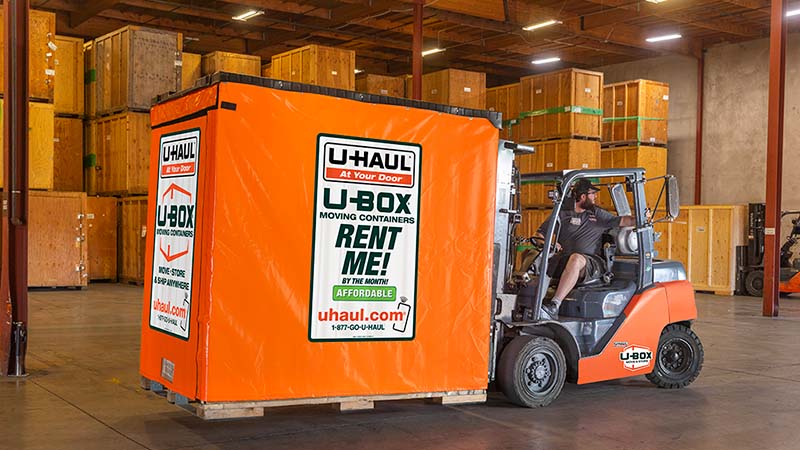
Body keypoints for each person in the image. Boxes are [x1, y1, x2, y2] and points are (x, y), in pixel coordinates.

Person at [534, 178, 637, 320]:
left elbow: (624, 221)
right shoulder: (562, 213)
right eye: (592, 194)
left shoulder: (597, 214)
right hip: (564, 259)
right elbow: (539, 234)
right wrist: (549, 245)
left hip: (591, 263)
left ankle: (554, 305)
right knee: (532, 256)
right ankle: (532, 301)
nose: (595, 197)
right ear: (583, 196)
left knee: (576, 259)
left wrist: (641, 218)